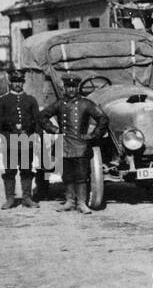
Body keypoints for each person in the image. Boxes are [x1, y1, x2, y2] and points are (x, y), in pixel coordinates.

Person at [38, 74, 109, 215]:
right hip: (64, 145)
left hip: (81, 146)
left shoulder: (85, 103)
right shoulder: (59, 104)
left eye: (74, 87)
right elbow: (42, 116)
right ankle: (69, 201)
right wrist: (54, 129)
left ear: (77, 88)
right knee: (67, 175)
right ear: (64, 88)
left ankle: (82, 203)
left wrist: (93, 135)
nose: (71, 90)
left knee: (81, 176)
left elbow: (103, 118)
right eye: (68, 87)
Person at [0, 67, 40, 209]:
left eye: (20, 81)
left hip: (26, 139)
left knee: (26, 169)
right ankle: (10, 199)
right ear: (10, 82)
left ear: (23, 83)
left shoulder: (30, 100)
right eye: (14, 81)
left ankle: (27, 198)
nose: (17, 84)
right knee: (10, 170)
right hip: (9, 140)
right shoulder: (3, 101)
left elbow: (37, 121)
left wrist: (36, 137)